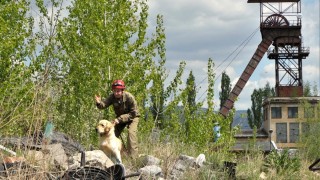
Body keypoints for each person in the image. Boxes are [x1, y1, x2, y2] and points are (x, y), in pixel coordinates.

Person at [95, 79, 140, 157]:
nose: (116, 93)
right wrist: (99, 103)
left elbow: (133, 113)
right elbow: (104, 105)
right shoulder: (112, 97)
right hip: (120, 119)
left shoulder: (129, 97)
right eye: (115, 91)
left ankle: (133, 158)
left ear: (122, 90)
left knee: (131, 134)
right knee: (110, 132)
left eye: (118, 91)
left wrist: (119, 119)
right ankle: (109, 154)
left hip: (133, 117)